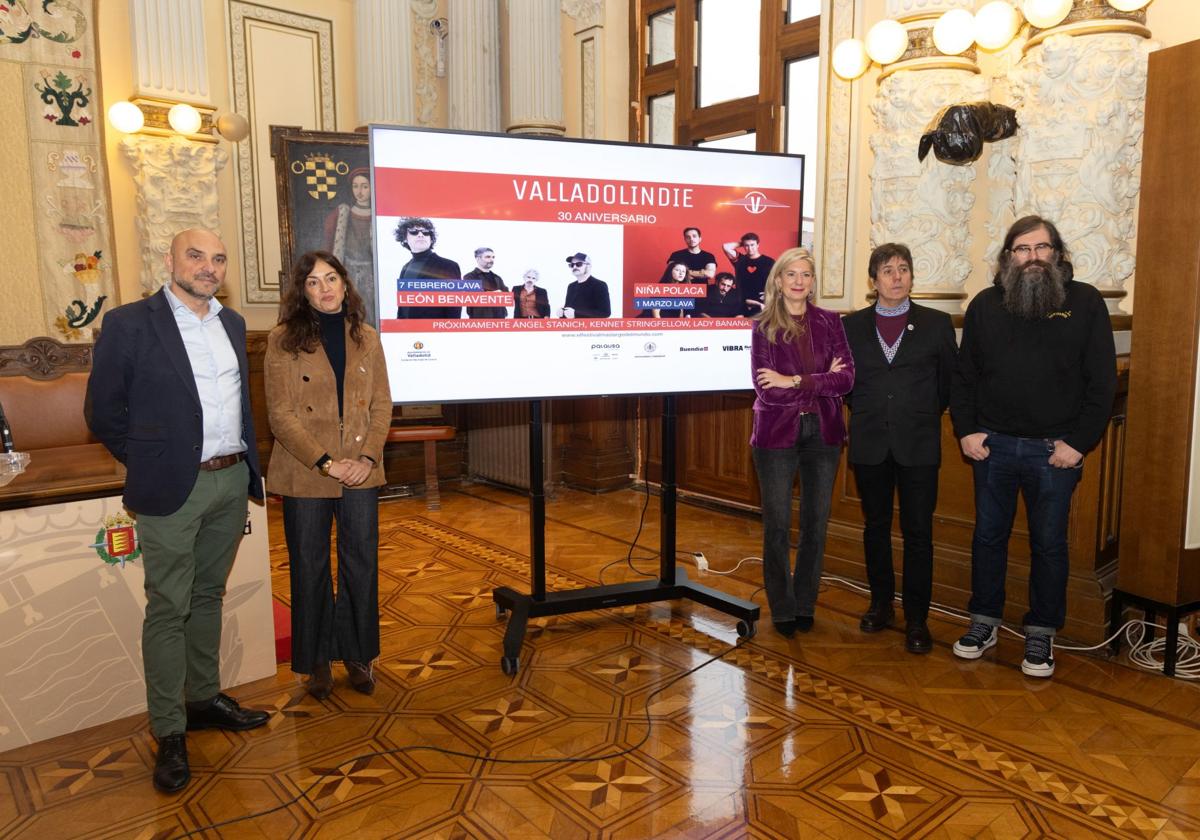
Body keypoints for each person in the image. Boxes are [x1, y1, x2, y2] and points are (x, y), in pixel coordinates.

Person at [84, 228, 269, 794]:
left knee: (208, 595)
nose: (208, 267)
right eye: (197, 256)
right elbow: (103, 412)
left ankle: (203, 697)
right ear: (171, 260)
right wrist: (151, 461)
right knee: (168, 606)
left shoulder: (232, 324)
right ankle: (169, 731)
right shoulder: (128, 323)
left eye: (218, 258)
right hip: (172, 489)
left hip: (230, 479)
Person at [950, 215, 1116, 678]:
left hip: (1054, 453)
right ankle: (983, 621)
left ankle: (1042, 631)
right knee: (988, 538)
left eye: (1042, 248)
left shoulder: (1084, 303)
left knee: (1048, 544)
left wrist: (1078, 444)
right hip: (993, 447)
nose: (1033, 258)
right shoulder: (985, 305)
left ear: (1057, 254)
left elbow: (1101, 384)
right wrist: (967, 430)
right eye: (1022, 249)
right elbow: (965, 378)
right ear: (1008, 258)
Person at [265, 251, 392, 701]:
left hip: (360, 470)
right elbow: (280, 416)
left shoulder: (368, 338)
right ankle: (317, 660)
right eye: (314, 282)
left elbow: (381, 406)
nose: (325, 289)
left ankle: (359, 655)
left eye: (332, 278)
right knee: (309, 565)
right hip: (307, 472)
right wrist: (326, 462)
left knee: (361, 562)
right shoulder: (283, 341)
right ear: (303, 291)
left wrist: (367, 459)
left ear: (345, 283)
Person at [843, 243, 957, 654]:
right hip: (870, 441)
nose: (896, 276)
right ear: (873, 280)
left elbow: (948, 385)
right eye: (887, 270)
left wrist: (915, 412)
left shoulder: (937, 324)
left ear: (912, 276)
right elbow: (848, 386)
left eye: (904, 269)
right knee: (875, 528)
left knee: (918, 534)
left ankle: (917, 619)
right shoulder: (851, 326)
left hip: (918, 443)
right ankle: (881, 605)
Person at [750, 247, 855, 638]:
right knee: (776, 525)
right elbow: (767, 390)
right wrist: (818, 381)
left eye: (806, 275)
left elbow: (846, 380)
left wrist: (795, 380)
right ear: (778, 281)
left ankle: (805, 602)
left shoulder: (830, 322)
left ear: (812, 282)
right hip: (776, 435)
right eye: (791, 274)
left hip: (824, 434)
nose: (799, 281)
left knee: (815, 524)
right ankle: (783, 605)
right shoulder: (763, 326)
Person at [322, 167, 376, 324]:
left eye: (365, 186)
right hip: (348, 270)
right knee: (349, 309)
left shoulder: (378, 216)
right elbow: (329, 243)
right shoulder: (343, 213)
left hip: (370, 273)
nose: (360, 191)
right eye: (356, 186)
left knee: (369, 311)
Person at [394, 216, 462, 319]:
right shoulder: (405, 268)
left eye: (426, 232)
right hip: (408, 332)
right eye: (414, 232)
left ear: (431, 239)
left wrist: (449, 333)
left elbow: (454, 307)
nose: (421, 235)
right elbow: (403, 306)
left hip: (435, 332)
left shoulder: (448, 266)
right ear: (404, 238)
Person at [723, 232, 776, 316]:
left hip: (761, 302)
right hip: (741, 301)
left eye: (752, 245)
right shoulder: (740, 259)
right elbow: (726, 246)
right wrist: (741, 243)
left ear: (758, 245)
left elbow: (776, 282)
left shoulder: (769, 262)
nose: (750, 248)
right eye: (746, 245)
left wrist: (770, 296)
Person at [560, 252, 611, 318]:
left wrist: (576, 314)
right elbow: (570, 313)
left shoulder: (600, 285)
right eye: (572, 265)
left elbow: (605, 313)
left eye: (579, 264)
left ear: (588, 266)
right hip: (573, 327)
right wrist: (563, 313)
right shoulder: (571, 286)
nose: (574, 267)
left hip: (590, 328)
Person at [464, 246, 509, 319]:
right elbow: (474, 297)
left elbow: (507, 295)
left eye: (493, 257)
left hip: (499, 319)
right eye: (488, 257)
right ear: (478, 258)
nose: (491, 260)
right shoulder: (469, 277)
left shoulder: (497, 278)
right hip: (480, 320)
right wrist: (495, 294)